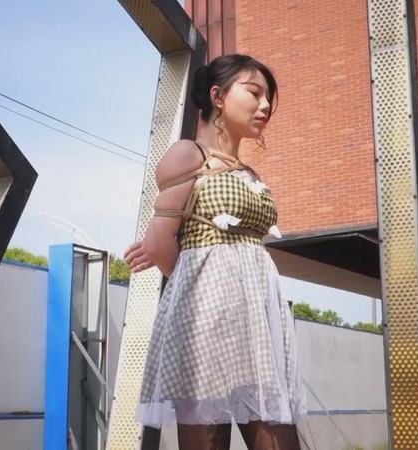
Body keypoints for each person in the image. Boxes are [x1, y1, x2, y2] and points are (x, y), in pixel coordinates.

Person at [124, 54, 306, 450]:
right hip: (205, 324)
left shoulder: (246, 171)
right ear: (218, 96)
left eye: (268, 97)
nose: (265, 105)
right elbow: (159, 241)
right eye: (254, 93)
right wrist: (206, 287)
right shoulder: (188, 154)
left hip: (255, 323)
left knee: (278, 435)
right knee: (207, 441)